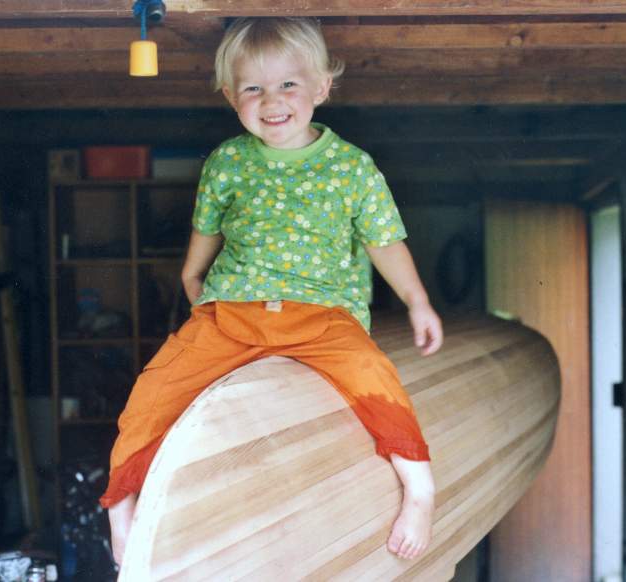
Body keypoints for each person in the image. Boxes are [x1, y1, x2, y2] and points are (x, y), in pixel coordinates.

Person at [100, 16, 444, 566]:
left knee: (375, 380)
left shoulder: (352, 167)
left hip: (322, 316)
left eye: (288, 84)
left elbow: (384, 242)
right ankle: (121, 506)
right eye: (253, 88)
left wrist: (417, 302)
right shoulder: (228, 161)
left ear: (321, 87)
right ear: (230, 96)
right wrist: (191, 275)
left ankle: (420, 490)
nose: (271, 100)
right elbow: (207, 228)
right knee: (156, 390)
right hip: (232, 312)